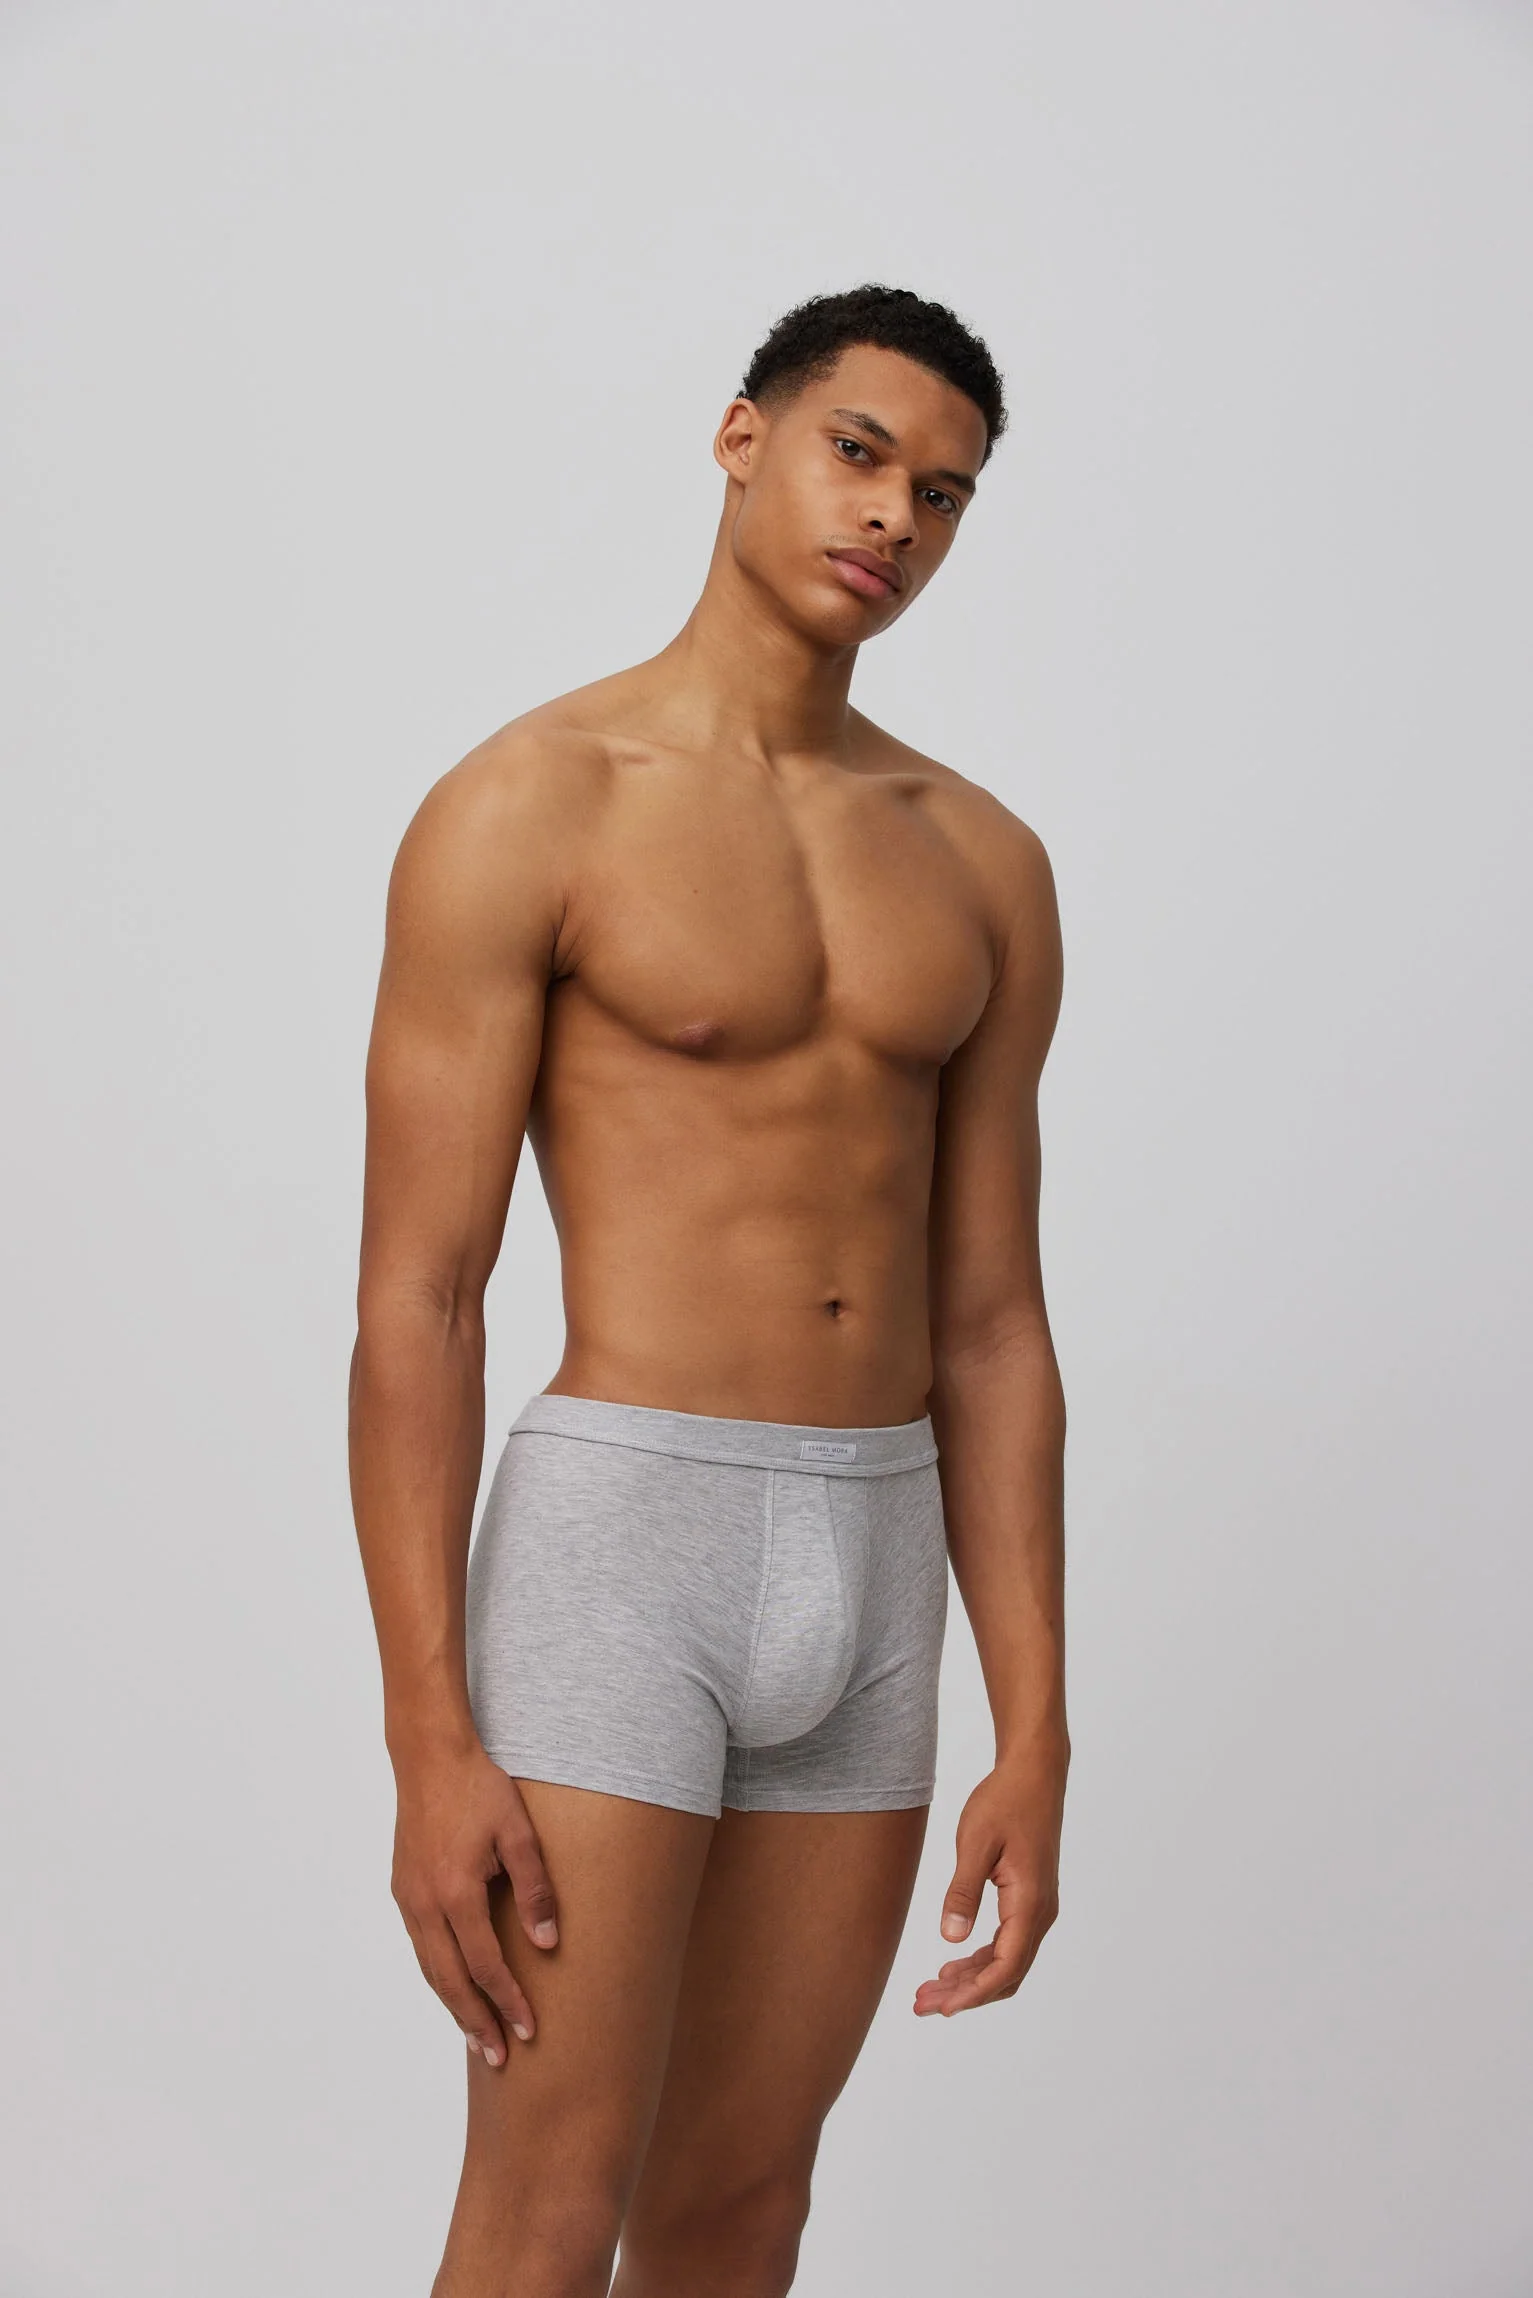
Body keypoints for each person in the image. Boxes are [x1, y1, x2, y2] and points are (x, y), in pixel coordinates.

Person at [349, 282, 1069, 2298]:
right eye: (860, 453)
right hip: (624, 1547)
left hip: (876, 1558)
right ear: (743, 439)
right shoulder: (534, 802)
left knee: (744, 2214)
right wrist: (426, 1733)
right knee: (544, 2212)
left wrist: (1038, 1724)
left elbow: (994, 1323)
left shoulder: (981, 863)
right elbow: (419, 1296)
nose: (897, 517)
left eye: (944, 494)